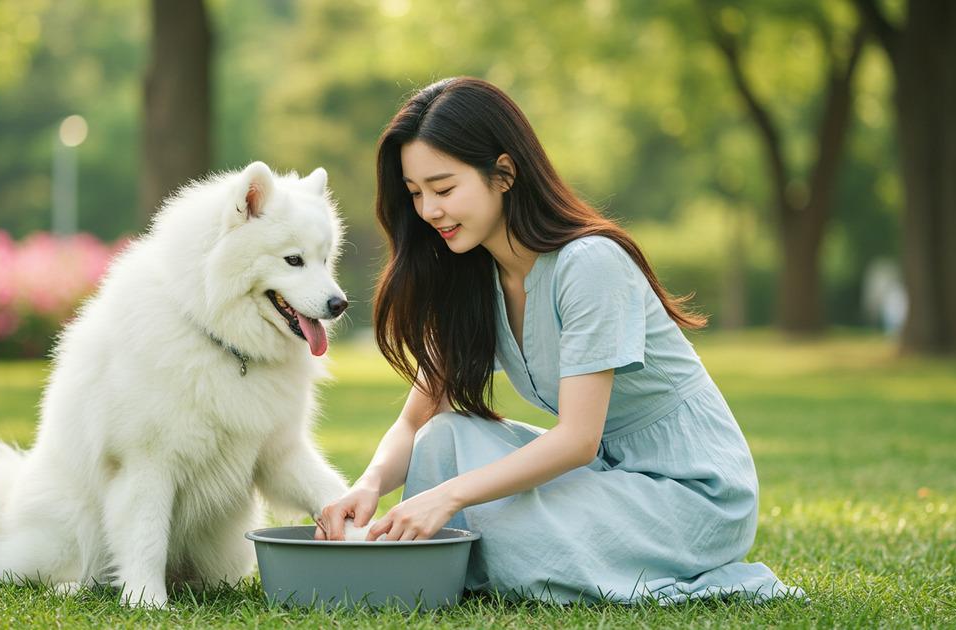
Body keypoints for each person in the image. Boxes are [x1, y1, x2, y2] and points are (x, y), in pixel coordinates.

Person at [316, 76, 801, 605]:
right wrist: (366, 486)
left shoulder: (589, 264)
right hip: (608, 480)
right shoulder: (473, 279)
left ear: (503, 174)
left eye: (444, 188)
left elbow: (577, 439)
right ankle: (493, 554)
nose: (429, 211)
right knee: (442, 439)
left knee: (494, 525)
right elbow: (417, 419)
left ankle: (508, 557)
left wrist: (448, 497)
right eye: (415, 195)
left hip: (692, 496)